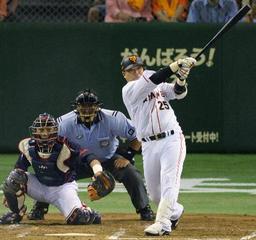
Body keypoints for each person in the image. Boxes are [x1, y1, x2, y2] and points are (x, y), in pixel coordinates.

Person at [27, 89, 155, 221]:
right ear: (76, 107)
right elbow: (51, 141)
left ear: (97, 107)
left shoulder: (113, 118)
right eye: (83, 107)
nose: (87, 110)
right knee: (52, 171)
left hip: (108, 159)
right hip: (77, 161)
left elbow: (138, 135)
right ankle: (39, 207)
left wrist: (128, 156)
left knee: (131, 173)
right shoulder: (64, 123)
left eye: (90, 106)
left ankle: (144, 208)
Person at [120, 55, 197, 236]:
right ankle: (175, 211)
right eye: (131, 70)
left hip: (172, 139)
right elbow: (154, 80)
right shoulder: (129, 90)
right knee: (155, 195)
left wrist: (182, 77)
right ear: (124, 74)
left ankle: (163, 223)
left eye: (139, 68)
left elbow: (178, 92)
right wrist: (177, 65)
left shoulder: (155, 82)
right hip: (148, 145)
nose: (137, 72)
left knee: (170, 181)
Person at [0, 113, 101, 225]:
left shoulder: (65, 145)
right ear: (35, 131)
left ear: (55, 130)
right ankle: (16, 213)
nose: (44, 133)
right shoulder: (29, 146)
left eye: (48, 129)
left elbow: (89, 156)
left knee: (79, 218)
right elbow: (19, 169)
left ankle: (88, 212)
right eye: (41, 129)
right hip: (40, 186)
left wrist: (98, 171)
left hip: (62, 188)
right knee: (14, 178)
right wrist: (10, 194)